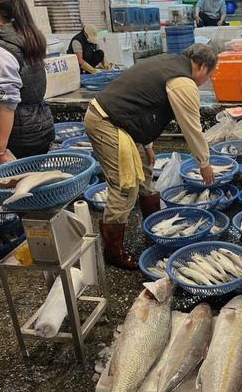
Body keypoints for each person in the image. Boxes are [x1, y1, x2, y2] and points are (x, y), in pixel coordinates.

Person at [84, 43, 217, 270]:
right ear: (203, 67)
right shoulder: (183, 81)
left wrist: (147, 144)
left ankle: (153, 228)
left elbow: (143, 105)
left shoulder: (169, 63)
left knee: (145, 172)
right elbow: (191, 127)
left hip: (121, 122)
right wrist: (204, 163)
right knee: (125, 186)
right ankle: (113, 252)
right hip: (107, 122)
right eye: (210, 76)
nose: (207, 80)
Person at [0, 0, 54, 163]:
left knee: (18, 188)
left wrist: (0, 150)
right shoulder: (25, 35)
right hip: (38, 126)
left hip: (17, 137)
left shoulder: (3, 48)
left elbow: (6, 102)